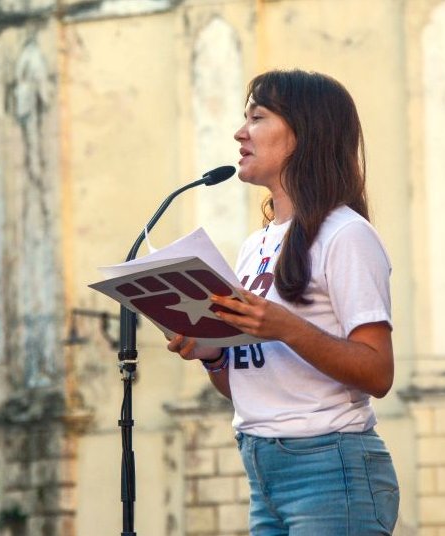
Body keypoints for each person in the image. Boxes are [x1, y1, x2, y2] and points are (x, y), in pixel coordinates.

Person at [167, 69, 400, 535]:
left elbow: (378, 373)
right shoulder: (256, 245)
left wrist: (283, 326)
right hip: (262, 469)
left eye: (257, 117)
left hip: (331, 472)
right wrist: (212, 354)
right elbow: (251, 386)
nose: (240, 132)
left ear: (302, 135)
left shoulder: (346, 234)